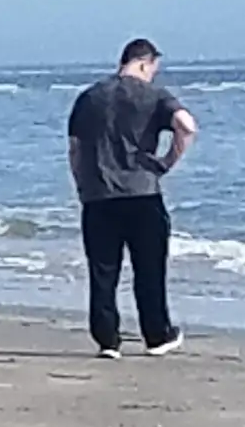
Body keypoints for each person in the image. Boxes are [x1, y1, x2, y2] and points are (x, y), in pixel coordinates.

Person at [66, 39, 197, 357]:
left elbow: (75, 149)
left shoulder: (90, 98)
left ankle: (108, 340)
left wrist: (82, 185)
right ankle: (156, 335)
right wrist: (167, 161)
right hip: (142, 193)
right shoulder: (153, 96)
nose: (153, 75)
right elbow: (187, 125)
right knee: (149, 268)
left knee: (103, 271)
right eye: (153, 69)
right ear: (143, 63)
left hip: (99, 196)